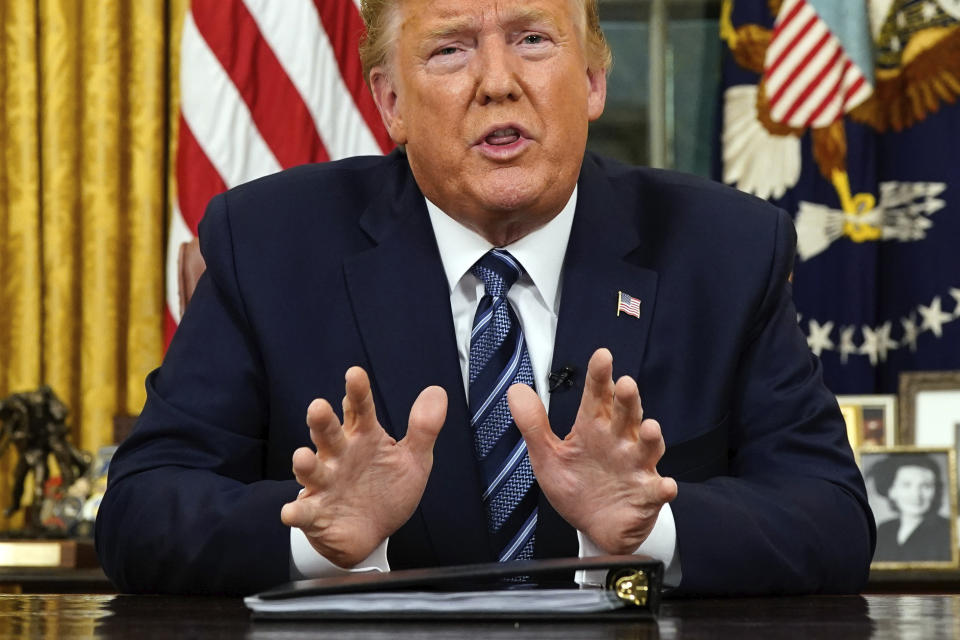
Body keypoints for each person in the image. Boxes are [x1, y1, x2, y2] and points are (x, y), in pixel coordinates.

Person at [95, 0, 875, 595]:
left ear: (595, 80)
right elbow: (139, 511)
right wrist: (318, 535)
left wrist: (653, 528)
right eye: (450, 49)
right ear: (390, 102)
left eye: (533, 39)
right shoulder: (268, 245)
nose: (497, 83)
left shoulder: (725, 249)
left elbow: (833, 516)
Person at [871, 454, 952, 563]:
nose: (916, 495)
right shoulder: (885, 529)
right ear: (891, 490)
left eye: (926, 486)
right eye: (906, 485)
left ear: (936, 491)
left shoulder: (947, 530)